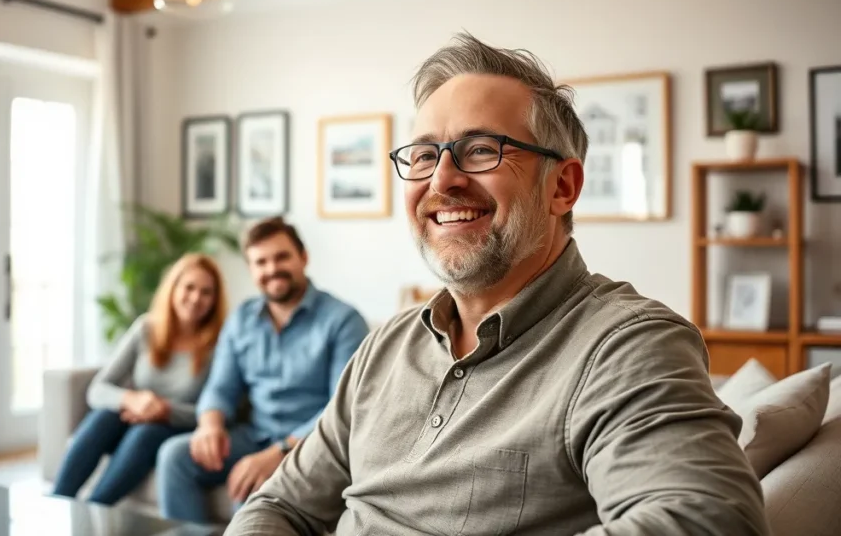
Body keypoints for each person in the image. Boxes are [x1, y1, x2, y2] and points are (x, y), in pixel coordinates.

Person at [224, 33, 772, 535]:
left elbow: (706, 521)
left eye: (481, 149)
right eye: (422, 155)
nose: (442, 180)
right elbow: (280, 506)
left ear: (562, 186)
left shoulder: (626, 345)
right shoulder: (383, 349)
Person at [156, 216, 369, 524]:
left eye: (282, 257)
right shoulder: (241, 319)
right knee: (174, 456)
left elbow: (342, 411)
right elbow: (221, 388)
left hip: (314, 447)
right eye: (261, 262)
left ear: (303, 257)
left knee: (252, 498)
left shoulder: (343, 321)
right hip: (254, 435)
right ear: (251, 269)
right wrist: (210, 425)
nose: (272, 269)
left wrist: (279, 453)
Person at [51, 253, 228, 506]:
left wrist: (164, 410)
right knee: (104, 417)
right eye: (189, 287)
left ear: (215, 299)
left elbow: (221, 410)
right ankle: (57, 501)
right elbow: (97, 390)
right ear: (173, 288)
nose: (196, 298)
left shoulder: (220, 345)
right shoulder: (146, 329)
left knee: (146, 432)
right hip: (134, 417)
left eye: (206, 292)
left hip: (178, 427)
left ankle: (94, 510)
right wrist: (132, 399)